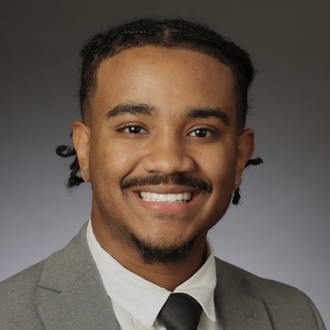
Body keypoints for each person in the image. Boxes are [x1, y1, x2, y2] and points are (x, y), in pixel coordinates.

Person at [0, 17, 325, 330]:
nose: (169, 162)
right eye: (133, 128)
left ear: (240, 157)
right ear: (85, 150)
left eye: (201, 132)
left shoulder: (295, 316)